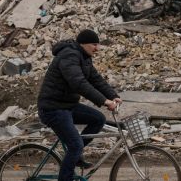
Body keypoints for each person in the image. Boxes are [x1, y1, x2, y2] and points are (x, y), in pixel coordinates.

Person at [37, 29, 122, 181]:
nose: (97, 48)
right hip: (53, 108)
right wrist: (104, 101)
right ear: (83, 44)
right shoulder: (69, 55)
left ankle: (74, 154)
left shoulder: (84, 57)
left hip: (67, 106)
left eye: (98, 45)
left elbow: (96, 80)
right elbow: (79, 83)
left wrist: (113, 95)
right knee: (76, 145)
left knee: (98, 119)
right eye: (94, 44)